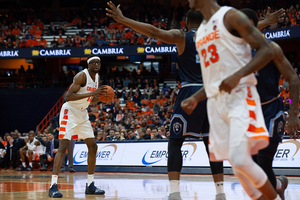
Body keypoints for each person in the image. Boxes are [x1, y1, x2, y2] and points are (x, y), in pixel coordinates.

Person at [182, 0, 283, 199]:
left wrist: (238, 75)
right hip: (216, 104)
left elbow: (266, 50)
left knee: (241, 161)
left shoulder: (230, 16)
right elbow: (214, 80)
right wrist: (195, 97)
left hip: (240, 98)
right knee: (238, 170)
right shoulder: (201, 31)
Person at [241, 8, 300, 200]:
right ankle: (279, 185)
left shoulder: (271, 48)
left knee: (264, 163)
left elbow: (293, 78)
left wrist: (293, 114)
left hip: (271, 109)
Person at [48, 54, 106, 198]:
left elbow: (90, 98)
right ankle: (53, 186)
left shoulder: (97, 78)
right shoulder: (81, 76)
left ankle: (90, 185)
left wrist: (103, 98)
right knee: (63, 147)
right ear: (88, 65)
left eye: (98, 62)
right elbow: (68, 96)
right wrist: (93, 93)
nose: (96, 64)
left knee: (93, 146)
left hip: (82, 113)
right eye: (93, 62)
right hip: (70, 111)